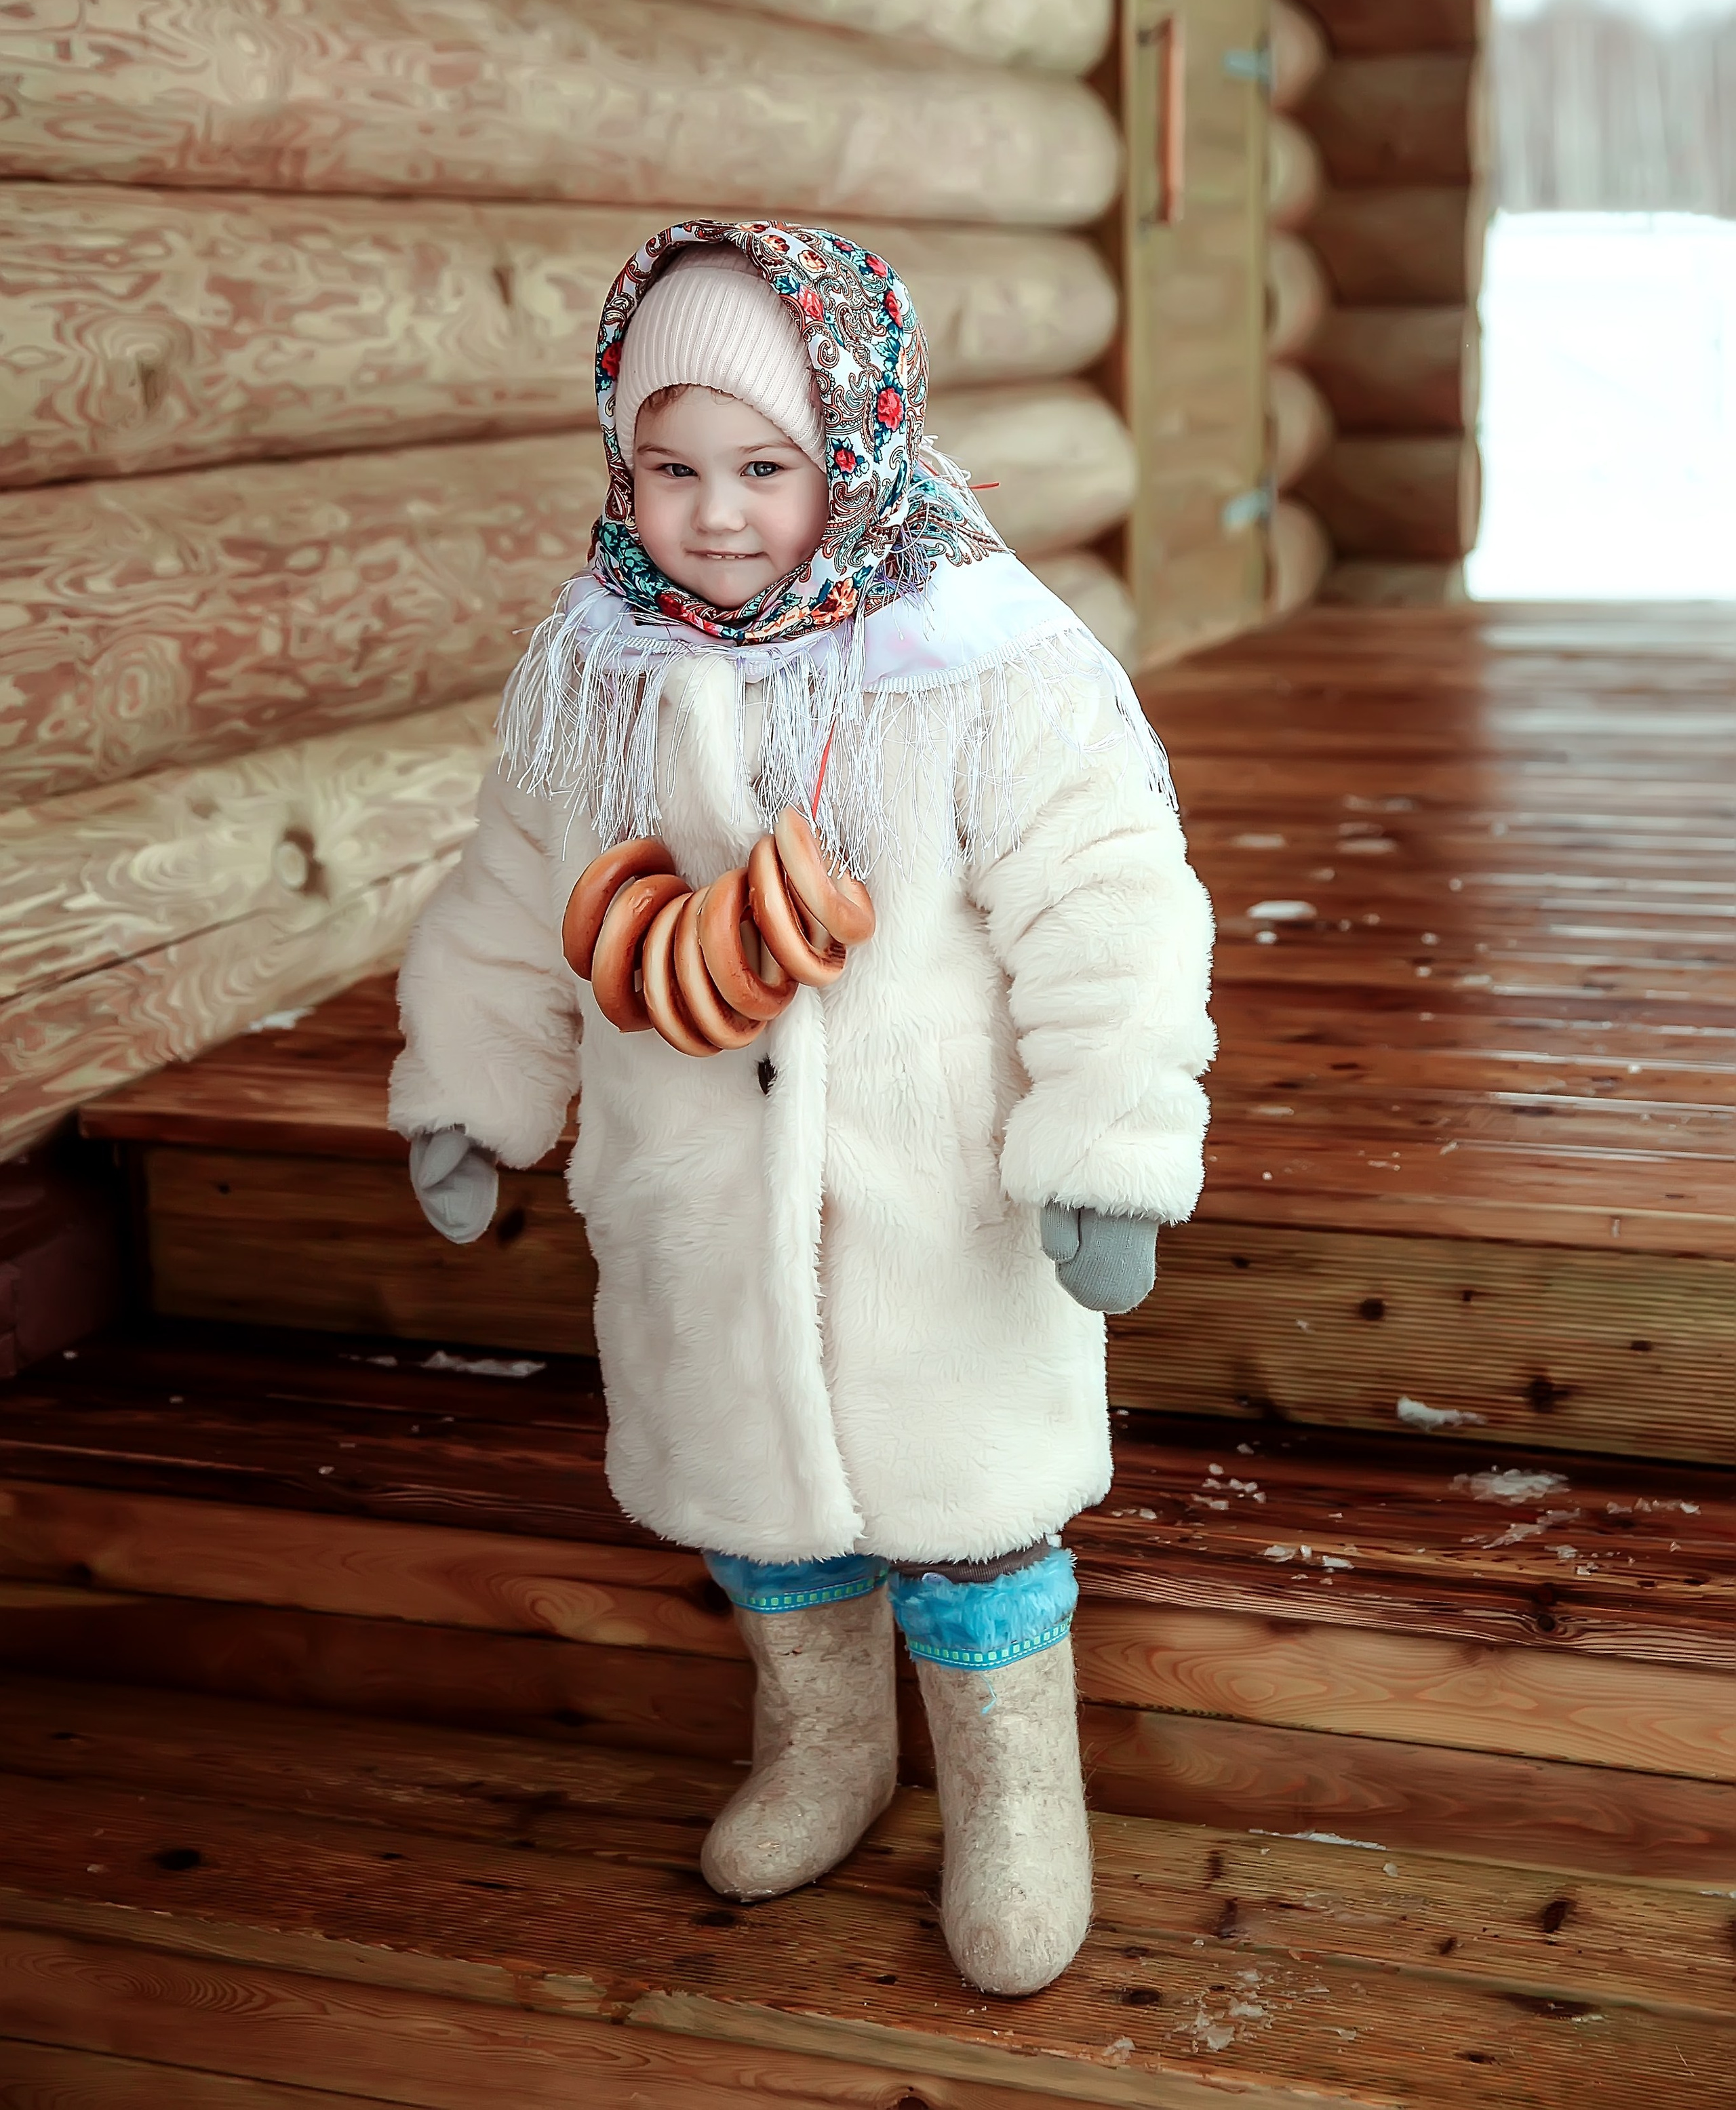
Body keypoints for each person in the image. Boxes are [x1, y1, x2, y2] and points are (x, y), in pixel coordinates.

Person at [391, 221, 1215, 1995]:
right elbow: (510, 901)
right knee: (762, 1494)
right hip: (696, 1177)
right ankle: (827, 1748)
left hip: (935, 1193)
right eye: (669, 467)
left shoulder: (979, 661)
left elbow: (1110, 902)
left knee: (968, 1507)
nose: (715, 512)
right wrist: (471, 1087)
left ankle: (1013, 1797)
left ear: (856, 447)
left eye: (764, 467)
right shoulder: (596, 670)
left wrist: (1109, 1136)